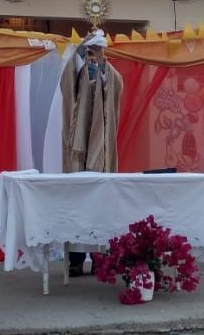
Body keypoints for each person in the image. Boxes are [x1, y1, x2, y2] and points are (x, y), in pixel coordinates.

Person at [59, 28, 123, 276]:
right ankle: (76, 260)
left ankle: (99, 258)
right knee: (76, 204)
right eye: (92, 50)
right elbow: (66, 87)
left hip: (100, 148)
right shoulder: (77, 68)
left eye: (98, 50)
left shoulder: (110, 71)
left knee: (100, 204)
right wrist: (79, 52)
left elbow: (116, 90)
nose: (95, 54)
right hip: (78, 148)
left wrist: (103, 65)